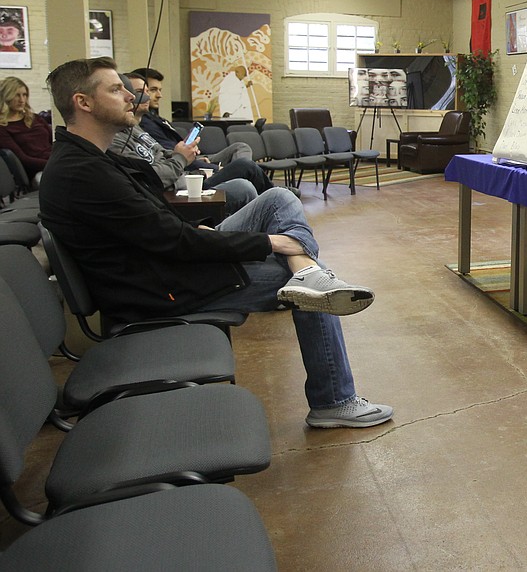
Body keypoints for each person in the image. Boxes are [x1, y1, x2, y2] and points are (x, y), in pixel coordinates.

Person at [38, 57, 393, 429]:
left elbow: (157, 225)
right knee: (315, 291)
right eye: (116, 89)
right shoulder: (84, 173)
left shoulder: (95, 159)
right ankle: (333, 399)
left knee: (279, 199)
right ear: (83, 102)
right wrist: (269, 243)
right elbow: (175, 242)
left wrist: (212, 235)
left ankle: (306, 269)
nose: (131, 96)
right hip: (162, 288)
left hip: (168, 263)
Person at [111, 73, 258, 215]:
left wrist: (184, 158)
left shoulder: (137, 126)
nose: (144, 96)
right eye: (137, 92)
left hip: (186, 170)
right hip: (178, 188)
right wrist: (187, 160)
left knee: (242, 150)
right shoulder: (115, 141)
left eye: (147, 91)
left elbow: (164, 152)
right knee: (245, 180)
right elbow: (149, 178)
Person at [0, 76, 53, 179]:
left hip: (55, 161)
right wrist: (55, 165)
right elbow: (23, 159)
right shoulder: (2, 127)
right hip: (37, 170)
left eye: (24, 95)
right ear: (6, 97)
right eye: (17, 95)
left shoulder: (35, 118)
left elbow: (55, 143)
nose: (22, 100)